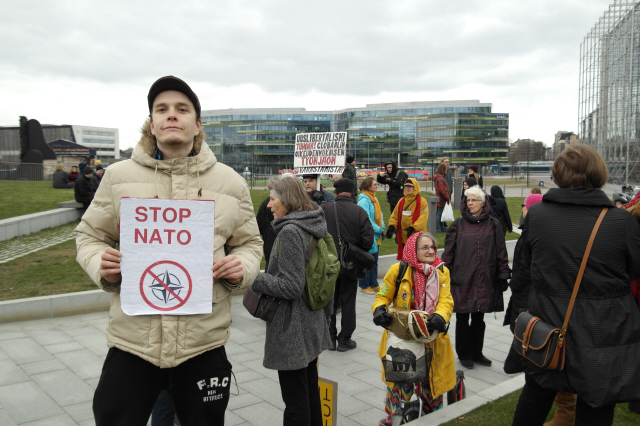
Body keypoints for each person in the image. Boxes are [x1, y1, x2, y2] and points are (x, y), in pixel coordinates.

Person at [74, 76, 263, 425]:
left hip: (202, 344)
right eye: (161, 109)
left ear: (197, 124)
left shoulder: (230, 182)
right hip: (133, 343)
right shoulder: (117, 176)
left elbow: (251, 243)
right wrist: (99, 262)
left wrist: (242, 267)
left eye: (182, 109)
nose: (171, 116)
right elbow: (88, 236)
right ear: (152, 123)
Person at [511, 145, 640, 426]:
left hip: (548, 328)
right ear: (598, 173)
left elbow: (524, 270)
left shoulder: (537, 216)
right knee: (595, 407)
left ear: (558, 175)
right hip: (602, 332)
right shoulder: (622, 221)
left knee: (535, 399)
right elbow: (634, 271)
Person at [251, 175, 333, 426]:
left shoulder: (290, 232)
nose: (268, 204)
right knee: (309, 392)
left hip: (292, 326)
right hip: (311, 319)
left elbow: (291, 286)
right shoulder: (313, 223)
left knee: (295, 400)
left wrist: (254, 278)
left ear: (286, 201)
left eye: (272, 199)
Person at [372, 232, 456, 426]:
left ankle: (431, 418)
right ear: (412, 250)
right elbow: (383, 295)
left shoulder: (441, 271)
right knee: (400, 383)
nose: (430, 251)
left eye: (433, 247)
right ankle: (394, 419)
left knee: (430, 383)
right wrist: (378, 309)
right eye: (425, 247)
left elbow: (446, 300)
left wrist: (440, 316)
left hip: (431, 339)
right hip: (403, 340)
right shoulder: (398, 269)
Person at [442, 185, 510, 369]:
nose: (469, 203)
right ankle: (464, 354)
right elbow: (448, 253)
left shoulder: (494, 224)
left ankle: (477, 352)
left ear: (482, 203)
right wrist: (442, 274)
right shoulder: (458, 225)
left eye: (473, 200)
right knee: (463, 317)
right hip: (462, 278)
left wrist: (503, 274)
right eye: (467, 200)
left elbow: (500, 252)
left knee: (479, 317)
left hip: (486, 278)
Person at [321, 178, 374, 351]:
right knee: (348, 302)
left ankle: (330, 338)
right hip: (350, 265)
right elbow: (368, 242)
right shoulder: (359, 211)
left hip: (327, 264)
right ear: (352, 193)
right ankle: (345, 339)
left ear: (336, 192)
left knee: (329, 301)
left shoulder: (323, 209)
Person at [386, 178, 428, 260]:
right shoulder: (401, 201)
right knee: (405, 261)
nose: (408, 188)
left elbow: (423, 218)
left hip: (417, 238)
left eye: (410, 186)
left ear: (415, 187)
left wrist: (413, 228)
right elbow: (394, 216)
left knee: (417, 261)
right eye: (406, 186)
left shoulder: (422, 202)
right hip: (404, 238)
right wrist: (391, 227)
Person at [357, 177, 385, 294]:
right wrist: (379, 230)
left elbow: (380, 215)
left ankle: (373, 283)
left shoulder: (374, 199)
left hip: (375, 235)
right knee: (367, 260)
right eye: (374, 184)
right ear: (368, 187)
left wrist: (382, 227)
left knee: (374, 260)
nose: (376, 186)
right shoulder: (363, 200)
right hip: (368, 235)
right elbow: (367, 219)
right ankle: (364, 285)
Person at [434, 163, 451, 233]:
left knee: (440, 213)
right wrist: (447, 198)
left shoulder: (439, 177)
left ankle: (441, 227)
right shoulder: (440, 178)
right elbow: (442, 190)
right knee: (440, 213)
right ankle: (438, 228)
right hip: (442, 199)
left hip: (440, 198)